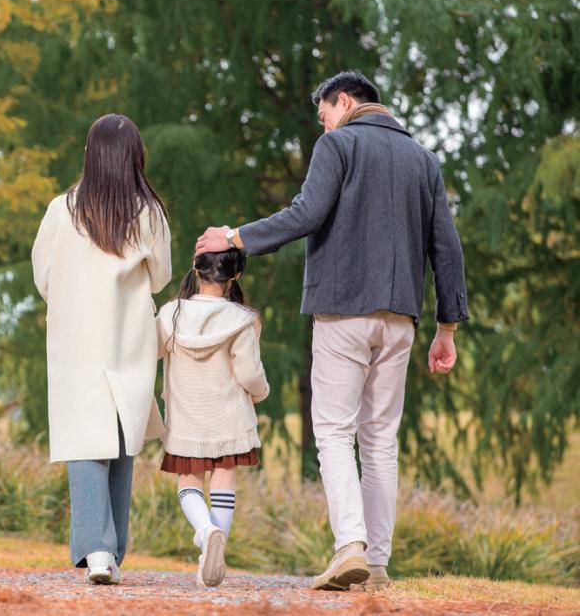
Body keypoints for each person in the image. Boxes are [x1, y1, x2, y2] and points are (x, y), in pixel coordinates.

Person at [195, 71, 468, 591]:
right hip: (401, 317)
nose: (324, 128)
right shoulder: (424, 160)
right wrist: (446, 327)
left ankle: (350, 547)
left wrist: (233, 235)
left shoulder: (339, 145)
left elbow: (306, 213)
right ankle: (379, 564)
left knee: (335, 432)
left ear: (343, 102)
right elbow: (446, 247)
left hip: (344, 310)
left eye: (324, 116)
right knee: (381, 440)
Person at [32, 113, 171, 585]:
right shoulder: (148, 211)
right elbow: (162, 276)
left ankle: (97, 551)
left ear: (90, 154)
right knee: (120, 440)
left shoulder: (61, 210)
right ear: (134, 156)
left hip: (75, 340)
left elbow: (43, 276)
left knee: (84, 441)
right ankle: (107, 551)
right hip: (127, 337)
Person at [155, 249, 268, 587]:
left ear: (196, 269)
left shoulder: (170, 313)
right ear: (236, 276)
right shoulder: (242, 318)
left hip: (186, 416)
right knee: (223, 479)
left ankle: (206, 532)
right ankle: (213, 549)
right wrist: (261, 392)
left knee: (188, 483)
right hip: (228, 416)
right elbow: (249, 373)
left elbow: (151, 351)